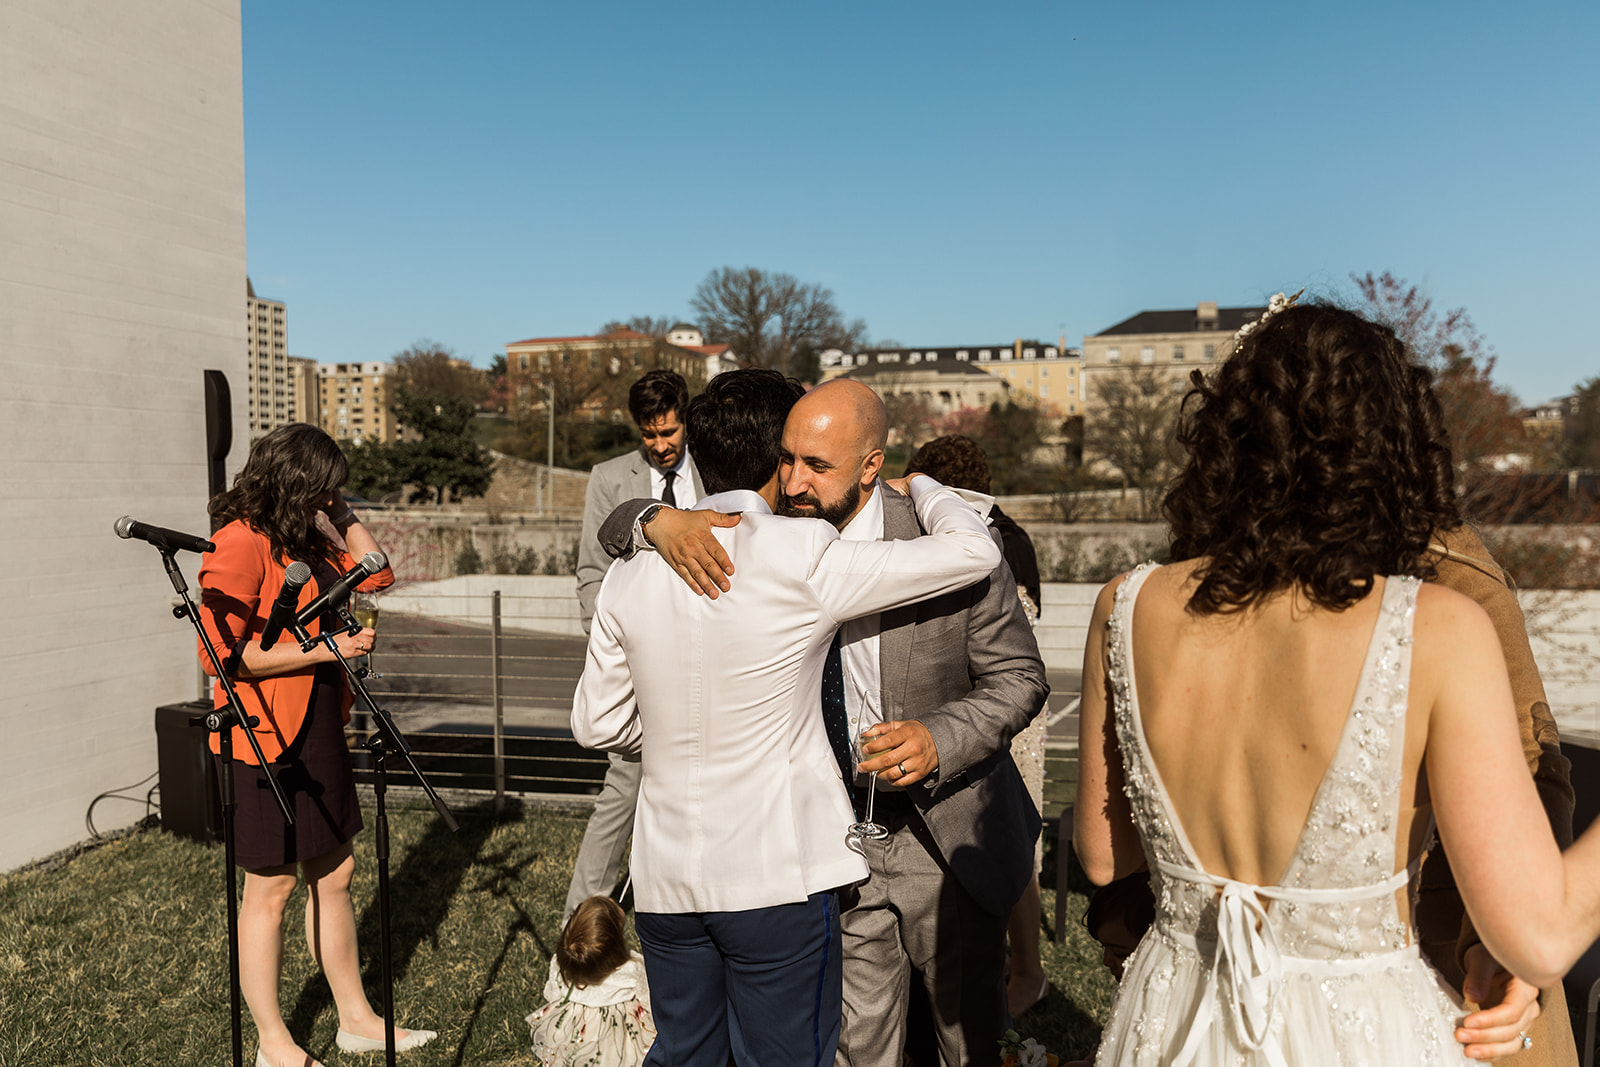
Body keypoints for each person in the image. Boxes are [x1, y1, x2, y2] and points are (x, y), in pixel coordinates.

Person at [1073, 302, 1600, 1066]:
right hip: (1358, 1031)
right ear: (1394, 449)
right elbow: (1542, 933)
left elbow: (1100, 853)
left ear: (1224, 438)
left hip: (1175, 1016)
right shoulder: (1435, 624)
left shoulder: (1123, 604)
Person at [571, 369, 1004, 1067]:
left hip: (662, 876)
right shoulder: (802, 555)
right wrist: (922, 484)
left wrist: (683, 730)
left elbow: (597, 725)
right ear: (780, 459)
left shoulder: (632, 571)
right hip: (774, 878)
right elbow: (975, 548)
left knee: (687, 1055)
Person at [198, 423, 434, 1067]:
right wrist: (328, 647)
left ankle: (355, 1018)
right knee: (269, 891)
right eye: (321, 489)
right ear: (292, 482)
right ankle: (274, 1042)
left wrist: (342, 513)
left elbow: (377, 574)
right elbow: (226, 655)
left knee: (336, 872)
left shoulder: (301, 537)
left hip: (320, 723)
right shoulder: (239, 542)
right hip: (266, 735)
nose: (327, 500)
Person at [904, 433, 1049, 1020]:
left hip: (982, 713)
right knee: (1014, 847)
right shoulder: (1015, 536)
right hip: (1005, 711)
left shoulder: (974, 539)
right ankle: (1023, 968)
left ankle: (1022, 971)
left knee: (998, 843)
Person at [567, 369, 705, 922]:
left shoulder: (714, 470)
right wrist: (614, 652)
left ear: (685, 421)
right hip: (638, 664)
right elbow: (589, 573)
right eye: (649, 435)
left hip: (704, 657)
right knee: (622, 790)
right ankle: (578, 924)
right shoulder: (608, 477)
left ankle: (684, 903)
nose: (660, 445)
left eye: (669, 432)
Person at [527, 896, 656, 1067]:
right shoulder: (632, 967)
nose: (610, 898)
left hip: (576, 1033)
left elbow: (552, 994)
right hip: (618, 1037)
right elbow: (649, 1000)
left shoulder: (561, 963)